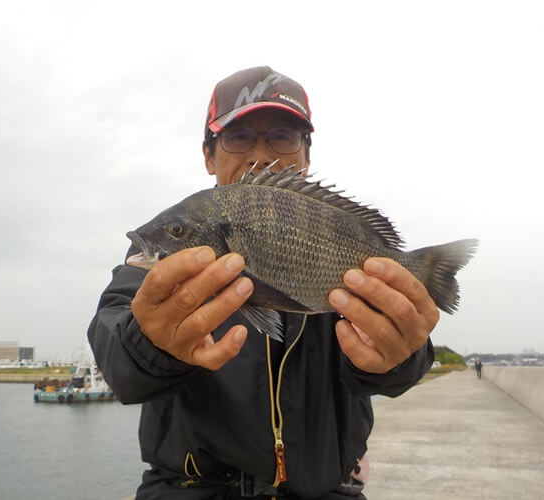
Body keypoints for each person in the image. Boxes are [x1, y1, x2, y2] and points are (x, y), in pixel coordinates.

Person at [88, 66, 437, 500]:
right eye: (238, 138)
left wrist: (401, 355)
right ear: (208, 155)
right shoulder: (161, 259)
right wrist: (150, 344)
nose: (260, 155)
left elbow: (394, 375)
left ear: (306, 154)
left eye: (282, 137)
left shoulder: (341, 247)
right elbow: (118, 355)